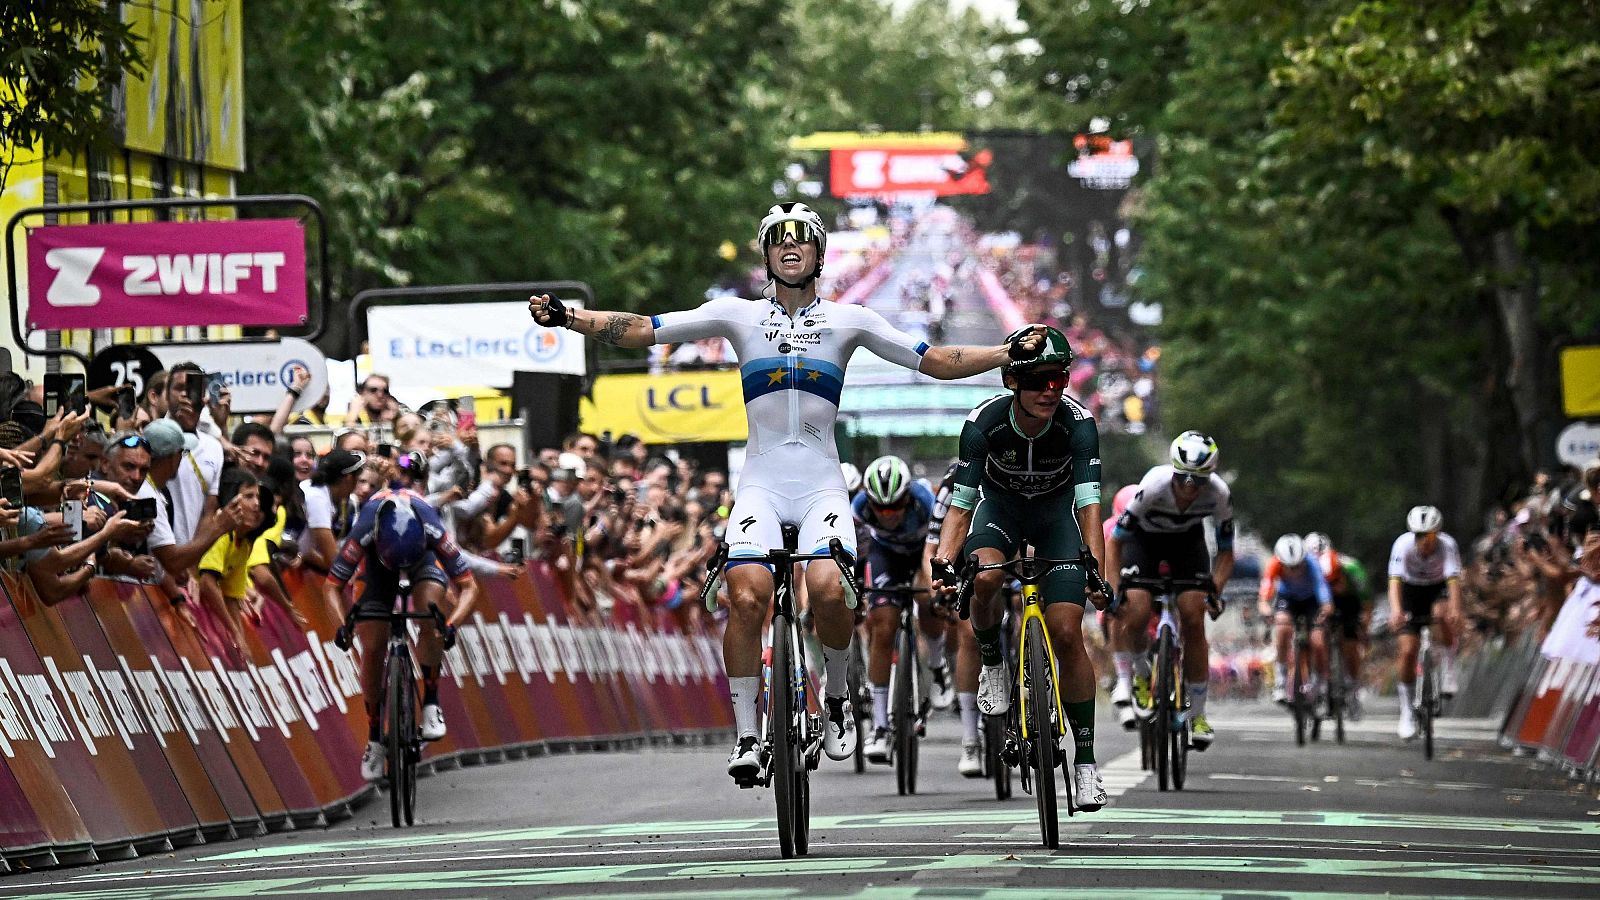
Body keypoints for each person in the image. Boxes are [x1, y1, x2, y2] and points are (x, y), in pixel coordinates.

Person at [529, 200, 1049, 781]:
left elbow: (935, 360)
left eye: (802, 237)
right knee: (745, 595)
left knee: (827, 589)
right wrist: (569, 318)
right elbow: (645, 329)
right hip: (761, 485)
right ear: (767, 253)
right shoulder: (738, 315)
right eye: (779, 238)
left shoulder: (850, 320)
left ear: (819, 253)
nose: (790, 245)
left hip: (821, 485)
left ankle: (837, 699)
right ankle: (747, 735)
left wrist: (1005, 353)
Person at [929, 325, 1109, 811]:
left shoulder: (1079, 425)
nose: (1050, 391)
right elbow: (962, 505)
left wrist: (1095, 569)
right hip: (1000, 515)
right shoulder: (983, 424)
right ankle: (992, 661)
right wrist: (944, 561)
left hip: (1055, 521)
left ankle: (1086, 764)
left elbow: (1089, 505)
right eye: (1037, 380)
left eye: (1059, 379)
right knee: (985, 578)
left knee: (1067, 632)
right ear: (1011, 380)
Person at [325, 484, 481, 782]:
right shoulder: (365, 528)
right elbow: (331, 587)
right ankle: (374, 737)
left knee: (430, 611)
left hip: (423, 560)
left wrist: (451, 625)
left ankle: (431, 701)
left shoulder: (432, 527)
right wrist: (342, 626)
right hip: (377, 566)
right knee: (373, 643)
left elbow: (469, 587)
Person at [1104, 431, 1235, 749]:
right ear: (1173, 470)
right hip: (1143, 543)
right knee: (1135, 613)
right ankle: (1140, 672)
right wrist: (1114, 589)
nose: (1189, 487)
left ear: (1210, 477)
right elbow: (1116, 541)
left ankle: (1198, 714)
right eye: (1182, 477)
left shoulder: (1219, 494)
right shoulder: (1153, 485)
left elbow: (1226, 551)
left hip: (1187, 545)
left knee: (1193, 617)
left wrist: (1215, 591)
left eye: (1198, 480)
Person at [853, 455, 943, 764]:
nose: (887, 514)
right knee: (883, 627)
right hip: (886, 556)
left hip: (923, 553)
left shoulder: (925, 500)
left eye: (895, 507)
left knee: (928, 600)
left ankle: (937, 665)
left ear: (907, 497)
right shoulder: (858, 507)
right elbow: (854, 550)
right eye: (880, 509)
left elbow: (939, 545)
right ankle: (880, 726)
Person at [922, 458, 988, 777]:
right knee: (970, 634)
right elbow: (931, 548)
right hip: (962, 554)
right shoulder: (952, 483)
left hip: (1009, 544)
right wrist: (938, 588)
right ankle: (970, 737)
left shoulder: (1015, 469)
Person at [1388, 505, 1463, 741]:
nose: (1425, 542)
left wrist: (1456, 609)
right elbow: (1395, 583)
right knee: (1407, 650)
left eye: (1430, 536)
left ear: (1437, 534)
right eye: (1420, 536)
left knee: (1442, 614)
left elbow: (1453, 581)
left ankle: (1449, 668)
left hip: (1437, 588)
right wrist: (1397, 611)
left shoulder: (1447, 545)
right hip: (1410, 591)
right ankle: (1407, 711)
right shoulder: (1402, 545)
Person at [1258, 533, 1332, 707]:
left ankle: (1320, 682)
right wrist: (1265, 607)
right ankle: (1281, 679)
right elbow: (1266, 590)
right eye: (1289, 567)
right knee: (1282, 628)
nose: (1294, 571)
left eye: (1298, 566)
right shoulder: (1274, 564)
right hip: (1288, 598)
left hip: (1311, 600)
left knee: (1318, 642)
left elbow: (1321, 587)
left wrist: (1326, 605)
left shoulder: (1312, 563)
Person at [1305, 531, 1372, 720]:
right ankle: (1320, 681)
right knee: (1316, 639)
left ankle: (1353, 687)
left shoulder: (1352, 567)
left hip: (1348, 601)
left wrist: (1365, 626)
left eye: (1334, 580)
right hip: (1318, 602)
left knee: (1350, 643)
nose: (1332, 586)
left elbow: (1366, 600)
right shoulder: (1307, 569)